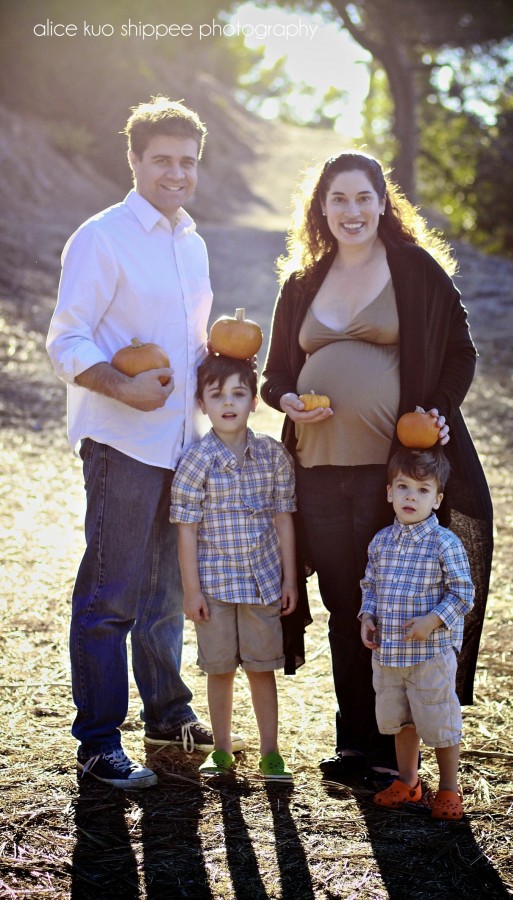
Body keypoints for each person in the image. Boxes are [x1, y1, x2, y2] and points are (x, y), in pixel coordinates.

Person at [260, 150, 493, 787]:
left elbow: (461, 351)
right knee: (346, 605)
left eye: (364, 197)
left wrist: (437, 408)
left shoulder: (413, 270)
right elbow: (274, 374)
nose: (352, 211)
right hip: (314, 469)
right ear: (321, 207)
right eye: (338, 199)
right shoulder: (303, 281)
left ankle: (398, 750)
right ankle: (356, 744)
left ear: (383, 203)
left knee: (396, 604)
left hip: (388, 479)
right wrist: (284, 398)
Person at [46, 96, 244, 789]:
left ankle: (167, 713)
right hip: (121, 441)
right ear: (133, 159)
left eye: (187, 161)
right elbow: (65, 339)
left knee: (164, 594)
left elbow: (186, 347)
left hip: (179, 444)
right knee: (110, 597)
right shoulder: (101, 237)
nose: (176, 173)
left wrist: (227, 368)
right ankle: (99, 742)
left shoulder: (192, 242)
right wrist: (121, 387)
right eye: (162, 159)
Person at [170, 353, 297, 780]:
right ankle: (222, 749)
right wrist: (192, 590)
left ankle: (270, 751)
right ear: (202, 404)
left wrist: (289, 578)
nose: (228, 402)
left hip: (263, 583)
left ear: (254, 401)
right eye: (217, 395)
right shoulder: (196, 461)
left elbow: (283, 519)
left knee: (262, 668)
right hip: (215, 587)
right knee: (219, 669)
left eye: (239, 393)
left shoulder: (273, 455)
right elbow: (186, 530)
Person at [359, 447, 474, 819]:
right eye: (403, 487)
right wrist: (367, 615)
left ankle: (449, 789)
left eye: (423, 490)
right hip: (389, 654)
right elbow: (370, 585)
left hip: (430, 656)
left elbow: (463, 593)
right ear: (389, 492)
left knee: (440, 721)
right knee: (401, 721)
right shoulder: (381, 541)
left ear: (437, 499)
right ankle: (409, 781)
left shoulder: (444, 543)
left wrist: (433, 620)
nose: (411, 496)